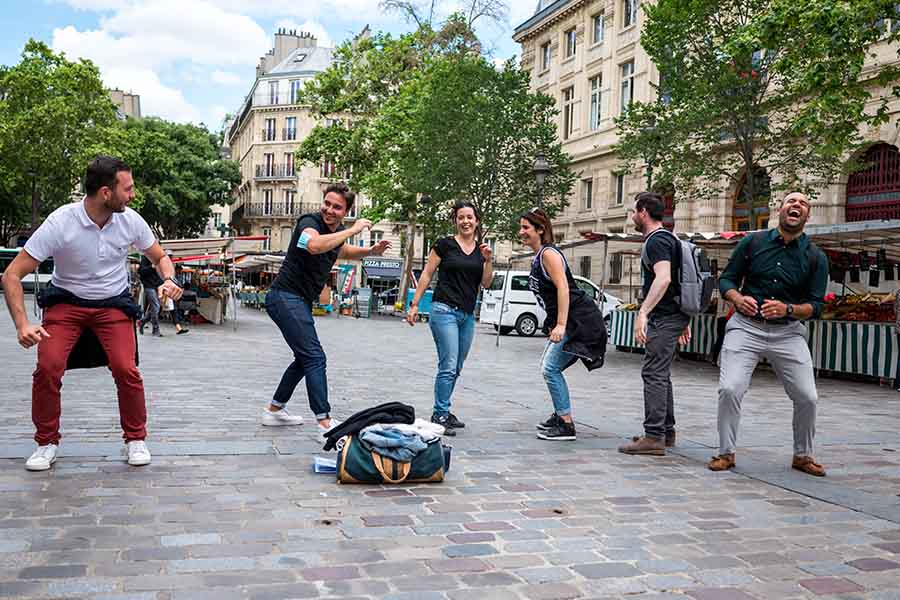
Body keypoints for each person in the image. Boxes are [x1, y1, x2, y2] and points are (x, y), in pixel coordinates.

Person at [1, 155, 182, 471]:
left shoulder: (131, 221)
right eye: (127, 188)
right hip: (66, 304)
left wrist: (169, 279)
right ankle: (46, 443)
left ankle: (135, 439)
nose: (133, 194)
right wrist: (22, 324)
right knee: (48, 367)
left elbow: (160, 257)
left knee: (127, 369)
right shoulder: (61, 222)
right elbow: (12, 275)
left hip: (112, 304)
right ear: (105, 193)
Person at [709, 191, 828, 476]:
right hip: (746, 327)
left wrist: (788, 309)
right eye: (791, 201)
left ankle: (803, 455)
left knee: (807, 396)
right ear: (780, 208)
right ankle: (726, 452)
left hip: (788, 333)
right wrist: (737, 298)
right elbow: (727, 279)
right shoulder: (753, 242)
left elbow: (816, 306)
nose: (796, 205)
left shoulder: (815, 256)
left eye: (802, 203)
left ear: (807, 216)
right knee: (730, 388)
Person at [265, 183, 391, 434]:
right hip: (284, 297)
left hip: (298, 300)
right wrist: (354, 229)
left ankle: (274, 410)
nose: (330, 210)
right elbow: (314, 245)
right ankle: (324, 421)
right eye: (327, 203)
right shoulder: (308, 223)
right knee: (314, 357)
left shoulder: (337, 232)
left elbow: (342, 249)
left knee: (304, 359)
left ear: (345, 211)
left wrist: (370, 250)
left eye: (337, 207)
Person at [518, 208, 607, 441]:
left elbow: (564, 288)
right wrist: (551, 322)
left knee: (549, 368)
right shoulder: (540, 256)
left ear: (540, 229)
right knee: (550, 367)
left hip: (580, 320)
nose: (522, 232)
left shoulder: (549, 254)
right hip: (572, 319)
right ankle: (561, 415)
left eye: (526, 227)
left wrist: (560, 324)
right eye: (521, 227)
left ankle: (565, 423)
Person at [407, 201, 492, 436]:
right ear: (455, 220)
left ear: (476, 221)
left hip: (467, 315)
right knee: (448, 364)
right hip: (444, 310)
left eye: (470, 217)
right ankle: (440, 414)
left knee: (456, 367)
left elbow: (485, 283)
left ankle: (443, 409)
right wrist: (414, 305)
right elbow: (426, 273)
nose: (466, 221)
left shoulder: (481, 250)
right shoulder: (444, 245)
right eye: (461, 217)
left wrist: (488, 259)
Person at [619, 192, 691, 456]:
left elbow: (664, 279)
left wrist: (643, 313)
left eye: (634, 211)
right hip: (674, 315)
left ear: (644, 212)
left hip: (664, 317)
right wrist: (684, 317)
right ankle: (665, 432)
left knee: (654, 373)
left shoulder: (657, 241)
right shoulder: (670, 238)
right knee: (661, 373)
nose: (632, 216)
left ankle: (654, 437)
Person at [138, 254, 163, 337]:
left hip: (157, 285)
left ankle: (142, 321)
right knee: (156, 306)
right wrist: (151, 267)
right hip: (149, 286)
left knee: (156, 307)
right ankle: (155, 329)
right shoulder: (145, 257)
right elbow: (141, 272)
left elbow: (160, 273)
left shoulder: (158, 258)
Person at [709, 291, 734, 365]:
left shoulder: (719, 292)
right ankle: (717, 359)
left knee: (720, 338)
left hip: (720, 316)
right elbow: (731, 305)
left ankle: (715, 359)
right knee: (723, 339)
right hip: (725, 316)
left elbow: (713, 303)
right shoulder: (728, 292)